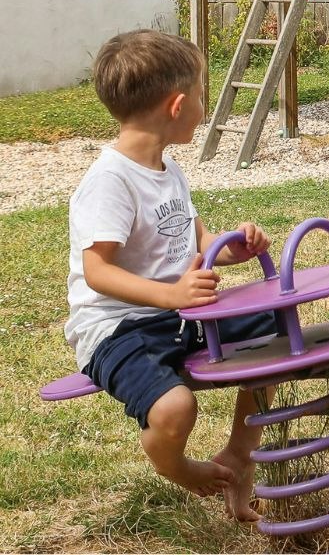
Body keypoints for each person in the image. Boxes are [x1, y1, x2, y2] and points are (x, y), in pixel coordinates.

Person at [65, 30, 278, 523]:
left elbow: (195, 241)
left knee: (276, 334)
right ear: (178, 105)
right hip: (119, 328)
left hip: (178, 313)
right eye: (203, 96)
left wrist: (230, 248)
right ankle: (178, 467)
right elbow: (96, 272)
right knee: (175, 410)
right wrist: (169, 294)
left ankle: (239, 457)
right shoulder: (110, 181)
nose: (205, 107)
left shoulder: (168, 168)